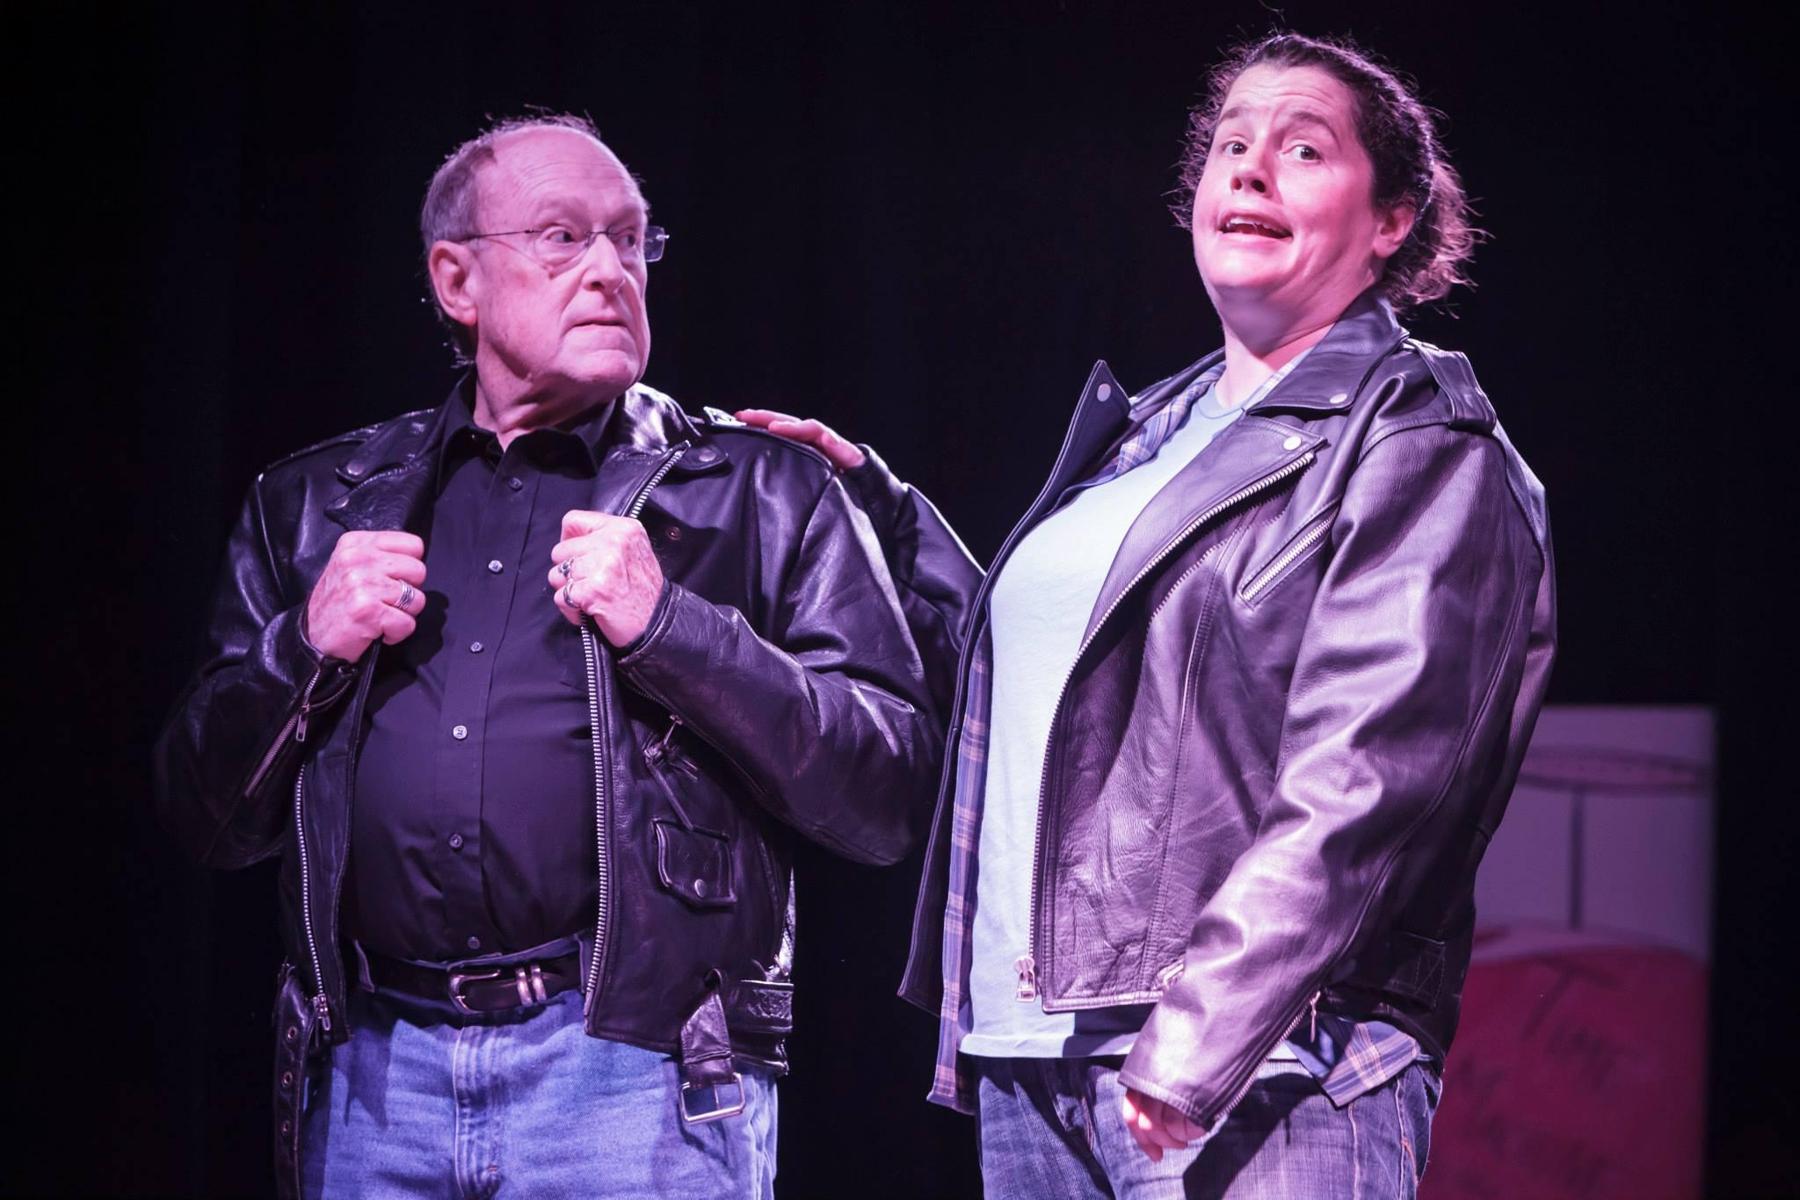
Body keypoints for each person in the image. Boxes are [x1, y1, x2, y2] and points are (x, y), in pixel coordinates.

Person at [749, 32, 1555, 1198]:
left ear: (1392, 219)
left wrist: (1201, 1037)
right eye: (1232, 144)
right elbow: (1079, 687)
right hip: (1036, 1057)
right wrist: (886, 520)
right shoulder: (1153, 431)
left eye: (1304, 149)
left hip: (1265, 1066)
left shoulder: (1417, 437)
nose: (1252, 167)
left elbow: (1371, 782)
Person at [153, 114, 941, 1200]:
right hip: (373, 1078)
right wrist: (306, 647)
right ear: (457, 280)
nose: (612, 270)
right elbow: (201, 814)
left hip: (634, 1075)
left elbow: (889, 789)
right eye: (564, 237)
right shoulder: (313, 505)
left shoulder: (765, 490)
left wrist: (672, 628)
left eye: (632, 240)